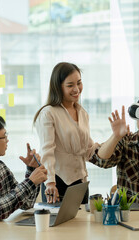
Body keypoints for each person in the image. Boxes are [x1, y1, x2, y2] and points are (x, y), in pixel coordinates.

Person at [33, 62, 98, 204]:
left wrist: (116, 136)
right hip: (57, 183)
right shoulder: (48, 113)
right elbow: (47, 151)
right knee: (58, 226)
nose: (77, 89)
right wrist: (50, 182)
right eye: (70, 85)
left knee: (81, 225)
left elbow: (89, 149)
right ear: (58, 87)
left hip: (80, 183)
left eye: (79, 83)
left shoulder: (82, 113)